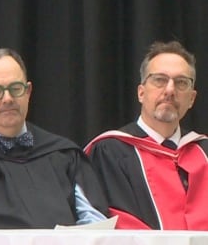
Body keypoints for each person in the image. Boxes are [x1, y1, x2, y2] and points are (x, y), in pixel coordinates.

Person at [0, 48, 108, 242]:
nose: (7, 98)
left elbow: (96, 224)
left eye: (15, 88)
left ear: (28, 92)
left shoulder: (64, 153)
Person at [85, 40, 208, 229]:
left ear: (191, 99)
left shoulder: (203, 152)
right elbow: (114, 224)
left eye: (181, 83)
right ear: (141, 93)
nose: (170, 90)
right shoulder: (111, 151)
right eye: (159, 80)